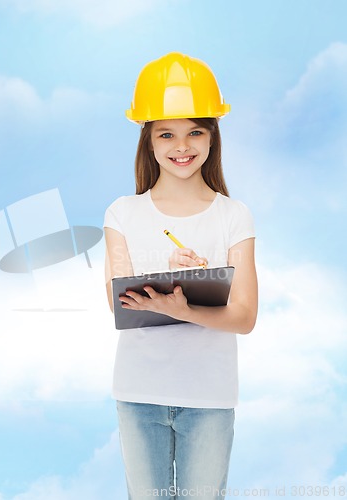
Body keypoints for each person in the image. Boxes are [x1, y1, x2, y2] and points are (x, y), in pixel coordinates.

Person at [103, 52, 258, 499]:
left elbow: (244, 317)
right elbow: (119, 304)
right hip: (138, 391)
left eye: (195, 131)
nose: (181, 145)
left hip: (209, 396)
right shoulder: (123, 213)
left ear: (212, 138)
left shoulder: (234, 215)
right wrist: (180, 294)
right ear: (148, 141)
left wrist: (185, 305)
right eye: (166, 133)